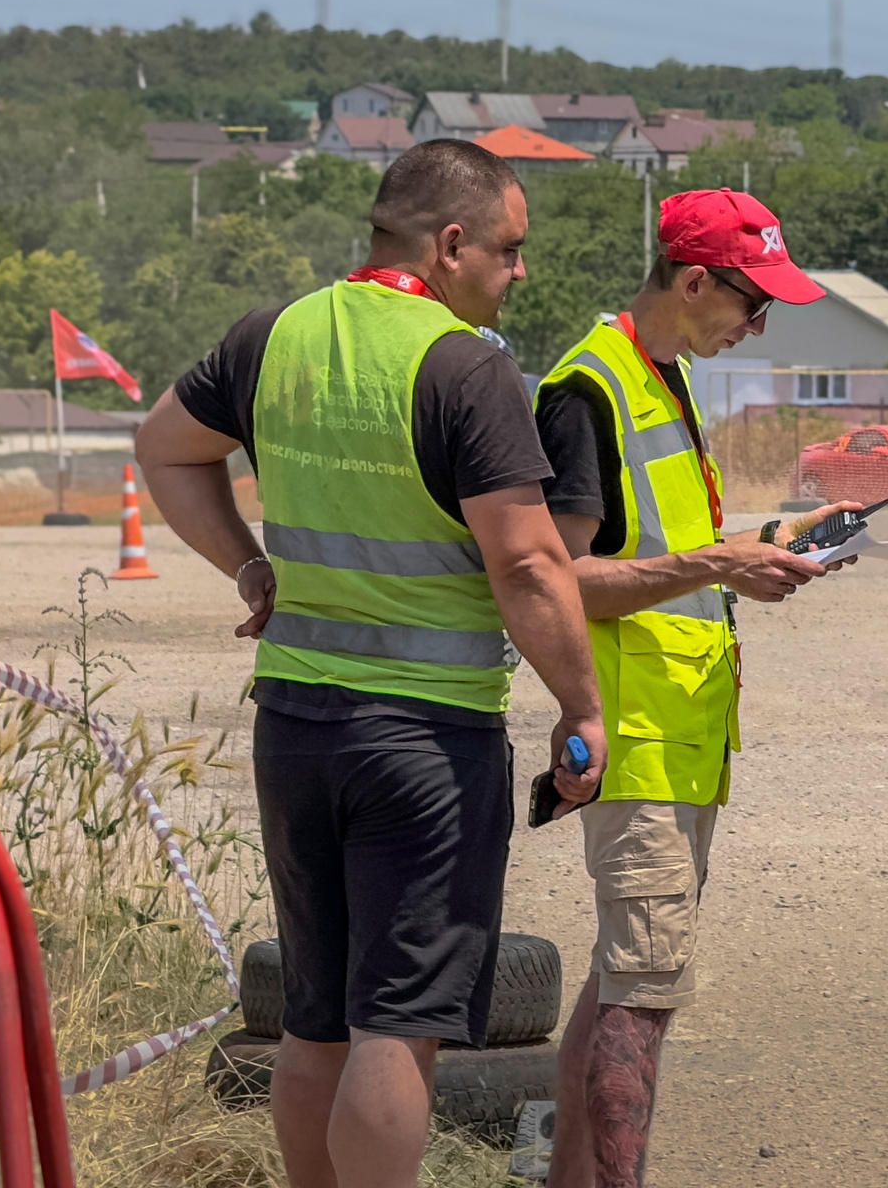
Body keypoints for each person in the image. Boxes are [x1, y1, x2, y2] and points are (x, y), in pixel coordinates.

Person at [136, 139, 605, 1188]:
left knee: (317, 1022)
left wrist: (249, 568)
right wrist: (582, 702)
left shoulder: (275, 335)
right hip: (425, 745)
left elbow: (164, 446)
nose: (518, 271)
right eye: (509, 249)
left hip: (298, 728)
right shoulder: (464, 365)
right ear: (449, 245)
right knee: (402, 1027)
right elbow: (530, 563)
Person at [534, 189, 857, 1188]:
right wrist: (721, 564)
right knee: (641, 991)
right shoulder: (590, 391)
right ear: (689, 280)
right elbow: (555, 577)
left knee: (624, 979)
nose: (755, 327)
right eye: (749, 305)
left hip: (679, 739)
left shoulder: (658, 376)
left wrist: (763, 546)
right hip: (631, 739)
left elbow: (660, 554)